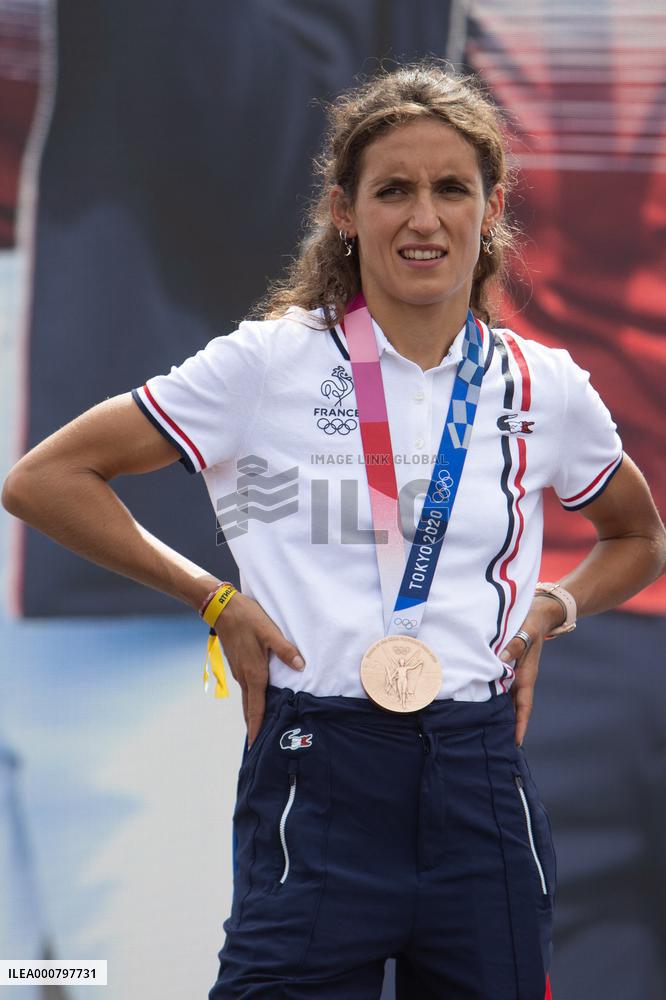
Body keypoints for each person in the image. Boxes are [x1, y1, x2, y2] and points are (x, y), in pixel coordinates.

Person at [2, 61, 664, 1000]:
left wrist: (554, 604)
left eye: (451, 189)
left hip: (478, 770)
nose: (424, 218)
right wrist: (214, 599)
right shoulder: (268, 363)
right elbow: (44, 479)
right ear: (345, 211)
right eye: (393, 189)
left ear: (493, 207)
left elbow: (639, 537)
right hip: (317, 769)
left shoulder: (541, 385)